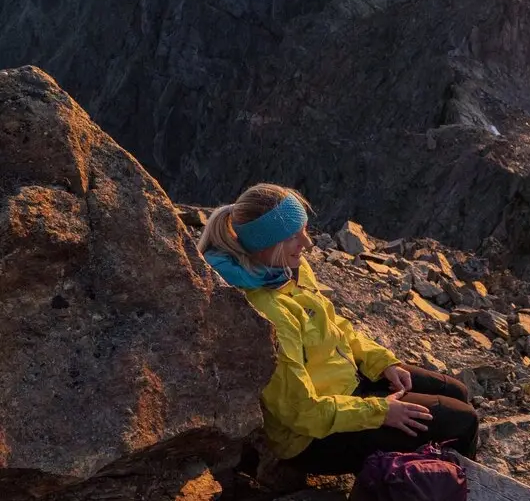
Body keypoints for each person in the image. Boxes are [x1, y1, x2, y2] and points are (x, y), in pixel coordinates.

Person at [198, 183, 478, 475]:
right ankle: (444, 485)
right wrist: (380, 412)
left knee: (456, 391)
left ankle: (441, 478)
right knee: (463, 421)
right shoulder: (268, 313)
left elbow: (334, 326)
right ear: (265, 243)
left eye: (305, 230)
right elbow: (300, 413)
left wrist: (380, 361)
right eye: (295, 236)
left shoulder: (286, 270)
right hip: (314, 437)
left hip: (348, 385)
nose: (307, 244)